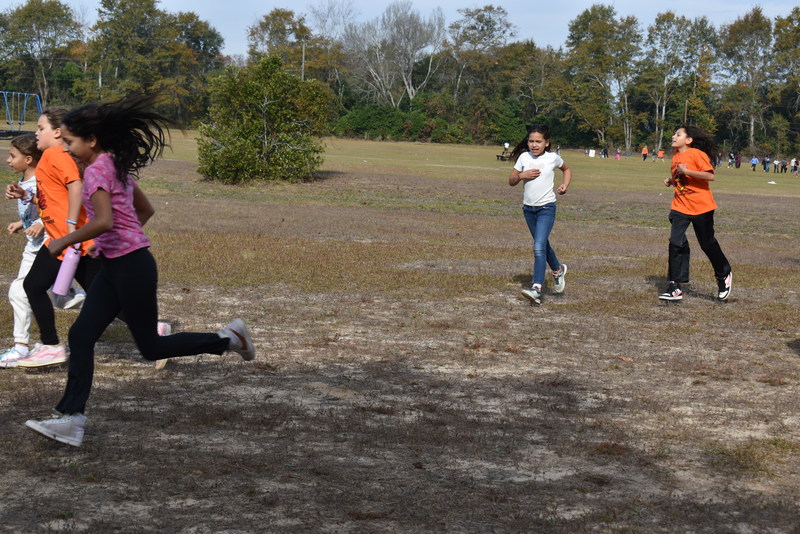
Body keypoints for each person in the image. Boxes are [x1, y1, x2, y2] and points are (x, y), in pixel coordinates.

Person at [24, 94, 256, 447]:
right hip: (119, 265)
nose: (66, 149)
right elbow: (143, 211)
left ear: (92, 140)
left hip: (130, 268)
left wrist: (65, 240)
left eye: (70, 142)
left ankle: (227, 339)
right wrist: (121, 241)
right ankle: (71, 419)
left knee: (150, 347)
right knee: (82, 336)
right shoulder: (114, 165)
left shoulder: (100, 169)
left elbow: (103, 220)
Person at [5, 107, 100, 368]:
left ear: (57, 132)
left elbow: (76, 186)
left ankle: (50, 346)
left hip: (72, 241)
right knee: (37, 286)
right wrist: (27, 197)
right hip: (61, 240)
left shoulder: (58, 154)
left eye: (40, 128)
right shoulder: (49, 156)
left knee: (34, 286)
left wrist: (71, 227)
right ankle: (154, 327)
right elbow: (53, 198)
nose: (36, 133)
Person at [659, 125, 732, 302]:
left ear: (689, 140)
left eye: (678, 134)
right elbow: (682, 180)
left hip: (701, 207)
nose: (673, 136)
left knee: (707, 244)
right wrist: (672, 181)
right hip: (680, 206)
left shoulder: (697, 154)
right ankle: (675, 286)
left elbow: (709, 176)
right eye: (674, 134)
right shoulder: (676, 156)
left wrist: (687, 171)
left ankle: (723, 274)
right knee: (675, 242)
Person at [509, 124, 571, 305]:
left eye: (538, 141)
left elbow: (566, 169)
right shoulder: (523, 157)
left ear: (546, 143)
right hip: (528, 209)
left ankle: (536, 288)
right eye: (531, 141)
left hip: (546, 208)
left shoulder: (553, 158)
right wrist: (522, 175)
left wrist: (564, 185)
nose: (534, 145)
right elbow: (511, 181)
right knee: (542, 244)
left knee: (538, 246)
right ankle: (558, 271)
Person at [0, 134, 45, 367]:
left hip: (48, 247)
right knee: (57, 297)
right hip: (34, 247)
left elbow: (60, 207)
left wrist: (42, 224)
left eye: (12, 156)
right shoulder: (25, 181)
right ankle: (20, 347)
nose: (8, 160)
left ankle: (20, 348)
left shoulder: (42, 181)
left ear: (28, 159)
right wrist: (23, 224)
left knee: (21, 291)